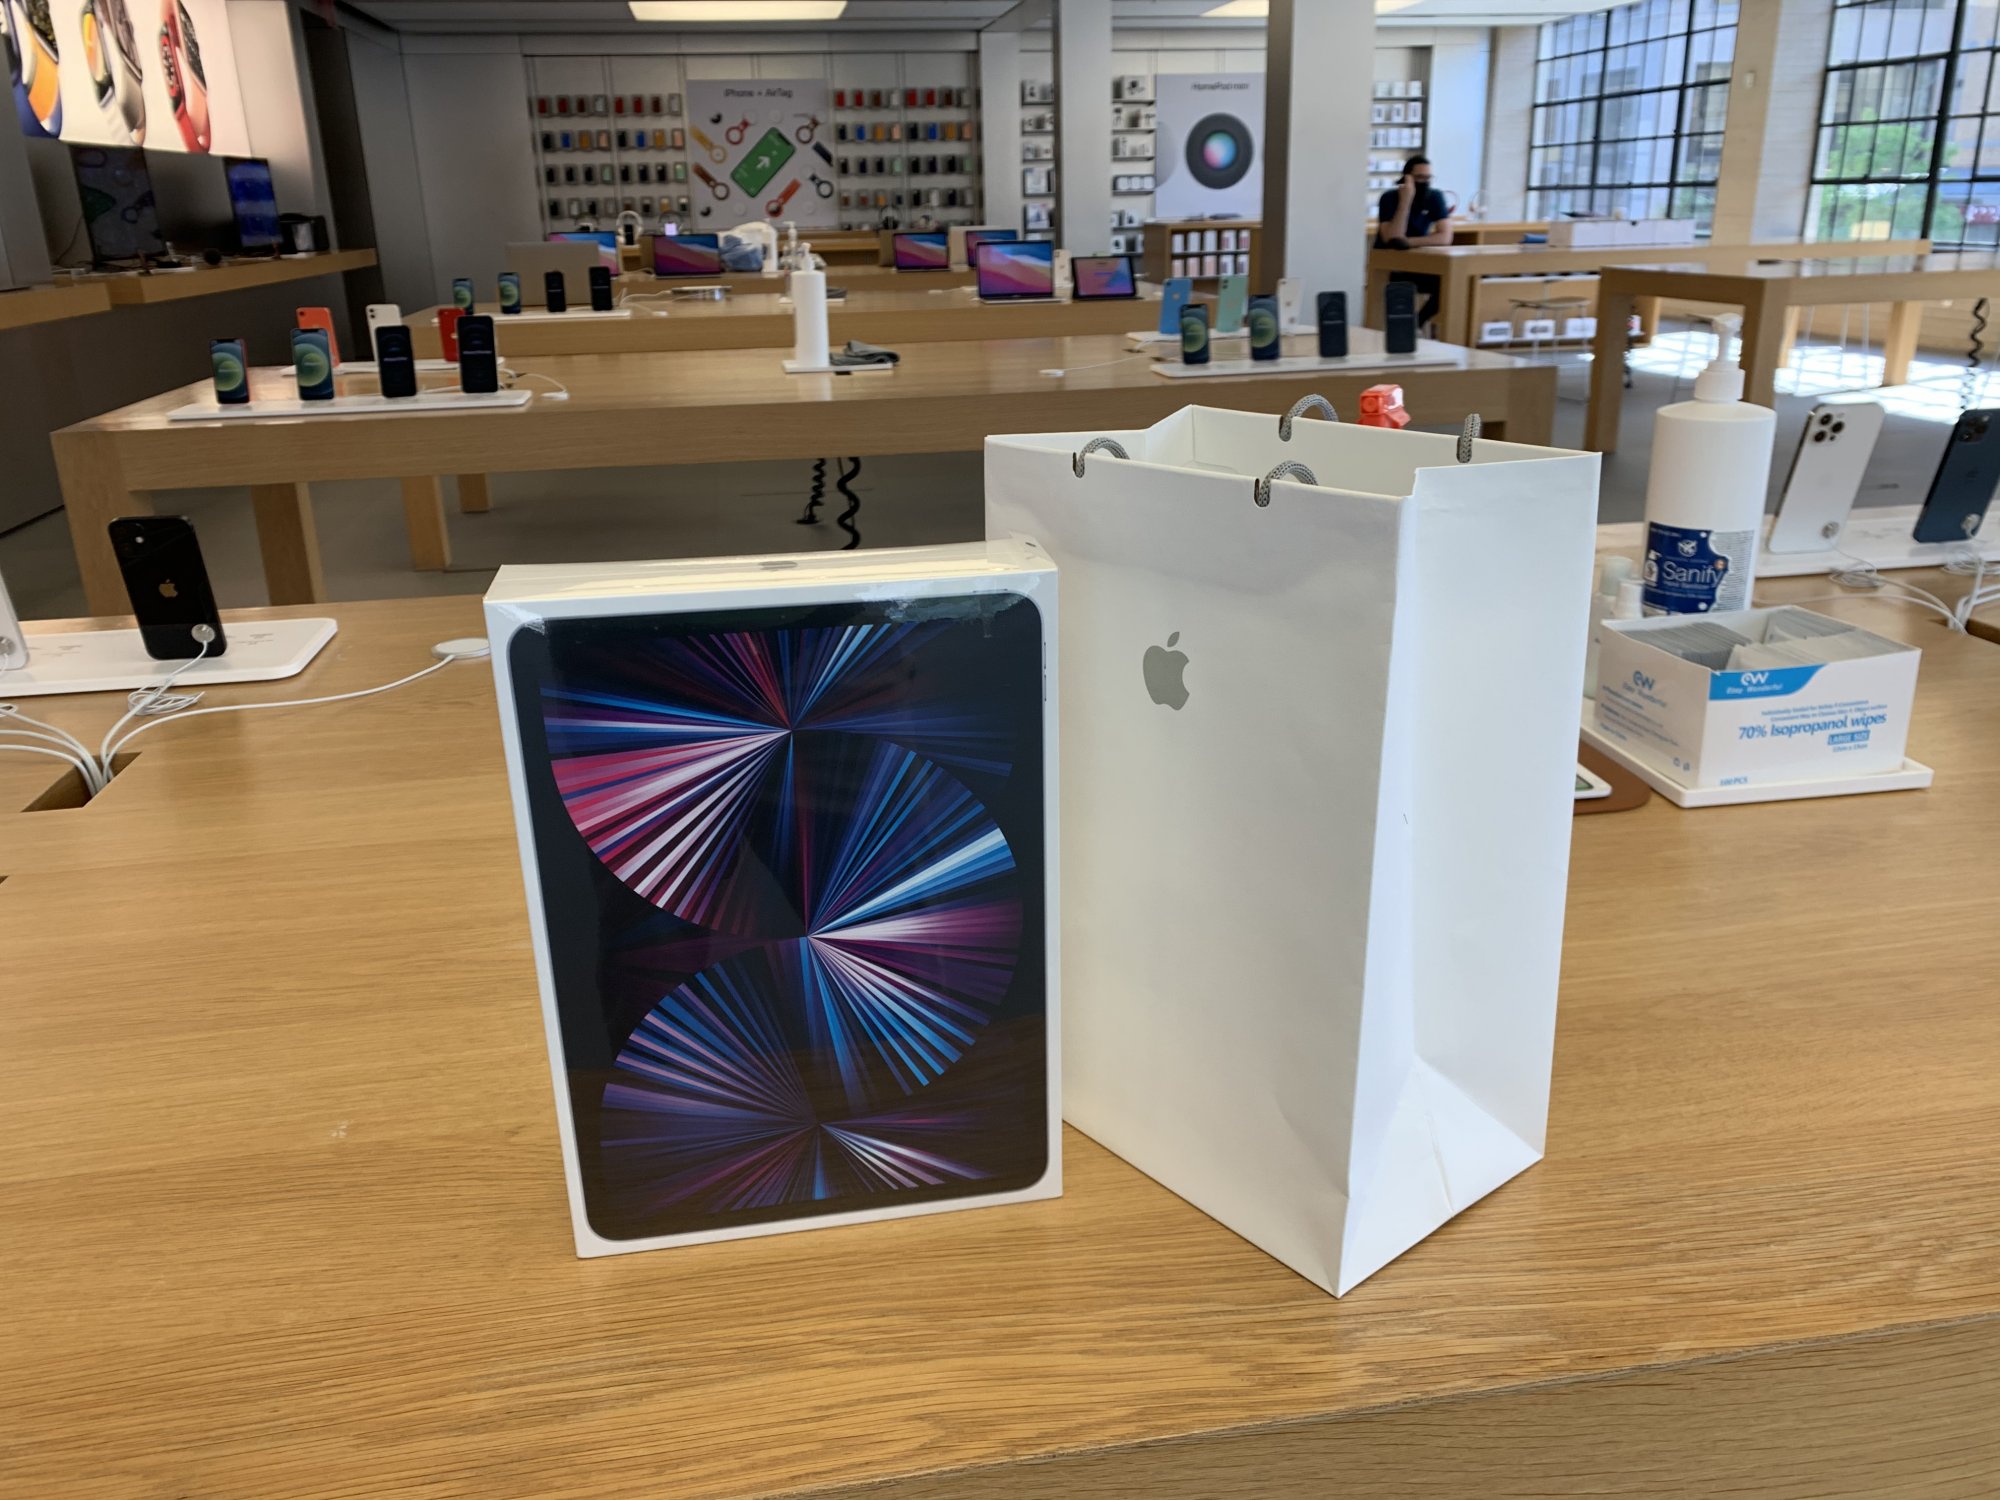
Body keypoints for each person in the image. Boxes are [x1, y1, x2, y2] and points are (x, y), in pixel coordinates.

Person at [1373, 154, 1453, 331]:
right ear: (1407, 178)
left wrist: (1408, 242)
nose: (1424, 182)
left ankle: (1416, 323)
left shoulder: (1435, 197)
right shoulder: (1389, 198)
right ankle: (1406, 328)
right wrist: (1406, 201)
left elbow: (1445, 237)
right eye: (1419, 178)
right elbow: (1392, 238)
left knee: (1450, 282)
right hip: (1390, 267)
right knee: (1400, 287)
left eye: (1428, 178)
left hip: (1418, 264)